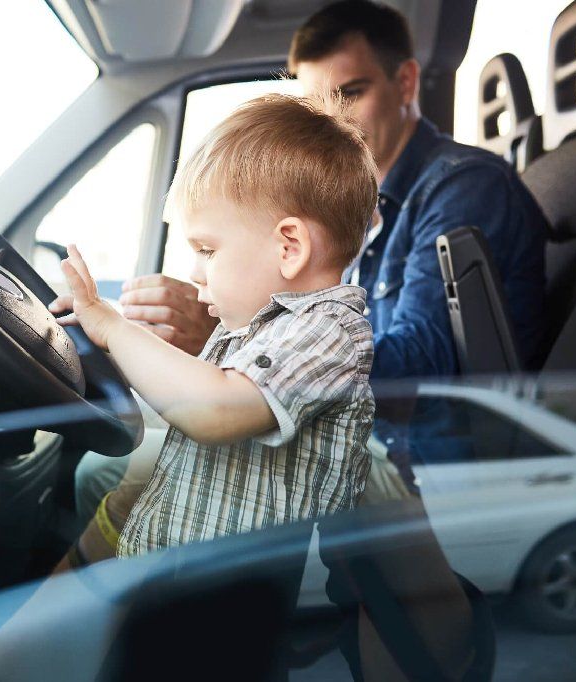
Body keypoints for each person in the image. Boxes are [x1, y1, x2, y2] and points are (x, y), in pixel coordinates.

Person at [72, 0, 549, 512]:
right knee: (123, 459)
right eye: (317, 106)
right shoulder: (354, 206)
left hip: (421, 463)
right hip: (368, 434)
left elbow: (421, 364)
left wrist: (226, 338)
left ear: (406, 84)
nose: (333, 120)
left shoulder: (463, 187)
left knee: (110, 471)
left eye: (350, 94)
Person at [51, 92, 378, 558]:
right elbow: (183, 389)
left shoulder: (329, 332)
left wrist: (114, 330)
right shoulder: (250, 327)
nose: (195, 271)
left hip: (222, 605)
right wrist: (109, 347)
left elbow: (214, 410)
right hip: (175, 582)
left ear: (289, 246)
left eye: (207, 250)